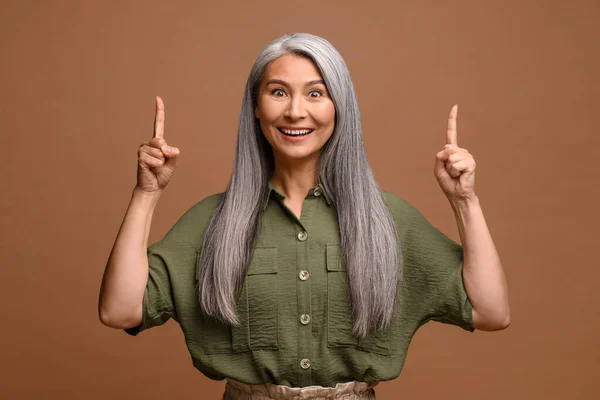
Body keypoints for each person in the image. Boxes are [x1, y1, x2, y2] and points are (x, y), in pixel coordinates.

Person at [98, 33, 509, 400]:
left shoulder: (388, 220)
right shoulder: (213, 223)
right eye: (278, 92)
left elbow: (490, 311)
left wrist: (464, 201)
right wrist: (146, 193)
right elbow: (119, 310)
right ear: (255, 108)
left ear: (339, 108)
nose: (296, 111)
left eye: (315, 93)